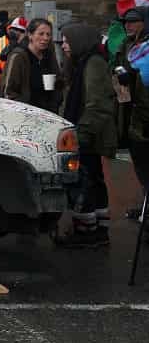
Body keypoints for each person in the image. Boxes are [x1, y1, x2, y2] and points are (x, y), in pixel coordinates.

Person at [57, 23, 118, 247]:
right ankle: (99, 229)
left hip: (88, 134)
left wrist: (79, 136)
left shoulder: (92, 64)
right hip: (90, 132)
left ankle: (86, 232)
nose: (63, 45)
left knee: (83, 181)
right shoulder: (86, 62)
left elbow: (96, 104)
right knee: (93, 179)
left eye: (67, 40)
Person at [113, 8, 149, 223]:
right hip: (129, 111)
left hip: (143, 117)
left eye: (133, 21)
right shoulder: (125, 45)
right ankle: (145, 205)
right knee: (141, 165)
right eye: (125, 21)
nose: (127, 25)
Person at [0, 18, 59, 112]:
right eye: (41, 34)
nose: (45, 38)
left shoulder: (49, 56)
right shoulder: (18, 56)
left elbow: (57, 85)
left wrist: (54, 104)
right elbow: (8, 92)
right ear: (30, 35)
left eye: (48, 34)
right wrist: (27, 111)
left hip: (48, 114)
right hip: (25, 114)